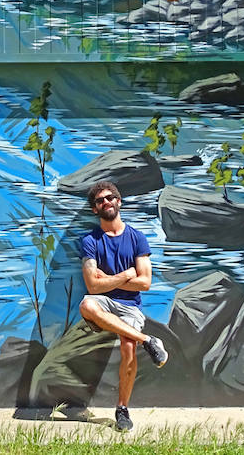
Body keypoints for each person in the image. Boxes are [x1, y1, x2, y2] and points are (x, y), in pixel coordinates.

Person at [78, 181, 168, 431]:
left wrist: (107, 279)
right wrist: (125, 275)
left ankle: (122, 409)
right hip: (103, 302)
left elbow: (145, 282)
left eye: (110, 198)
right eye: (99, 201)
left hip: (129, 306)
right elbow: (92, 287)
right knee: (87, 305)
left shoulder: (137, 238)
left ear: (119, 202)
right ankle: (148, 340)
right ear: (95, 209)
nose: (106, 202)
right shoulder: (90, 241)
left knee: (128, 348)